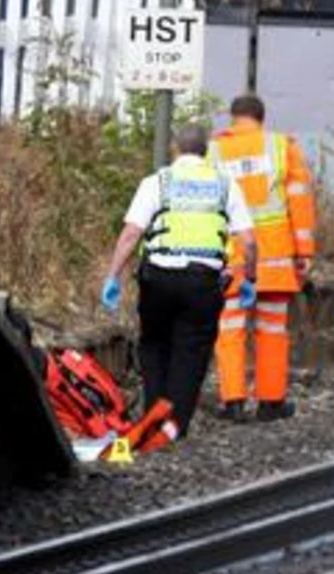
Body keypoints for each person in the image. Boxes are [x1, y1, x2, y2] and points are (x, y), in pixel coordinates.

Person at [101, 123, 257, 449]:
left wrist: (113, 275)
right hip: (203, 282)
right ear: (206, 151)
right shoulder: (224, 184)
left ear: (175, 148)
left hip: (158, 278)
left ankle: (154, 422)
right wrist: (250, 279)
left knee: (155, 345)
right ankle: (175, 428)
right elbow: (249, 241)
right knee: (193, 351)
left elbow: (131, 233)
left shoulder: (158, 182)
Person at [209, 94, 317, 422]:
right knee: (272, 328)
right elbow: (300, 202)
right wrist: (304, 251)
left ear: (233, 118)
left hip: (232, 257)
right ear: (261, 118)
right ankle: (271, 402)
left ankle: (234, 402)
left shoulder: (213, 151)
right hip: (274, 257)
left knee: (230, 328)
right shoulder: (282, 146)